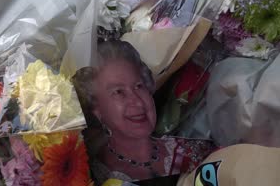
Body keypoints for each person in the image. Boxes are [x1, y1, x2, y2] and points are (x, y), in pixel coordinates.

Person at [73, 40, 216, 185]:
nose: (137, 101)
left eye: (139, 86)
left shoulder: (194, 150)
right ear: (96, 110)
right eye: (118, 92)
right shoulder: (91, 176)